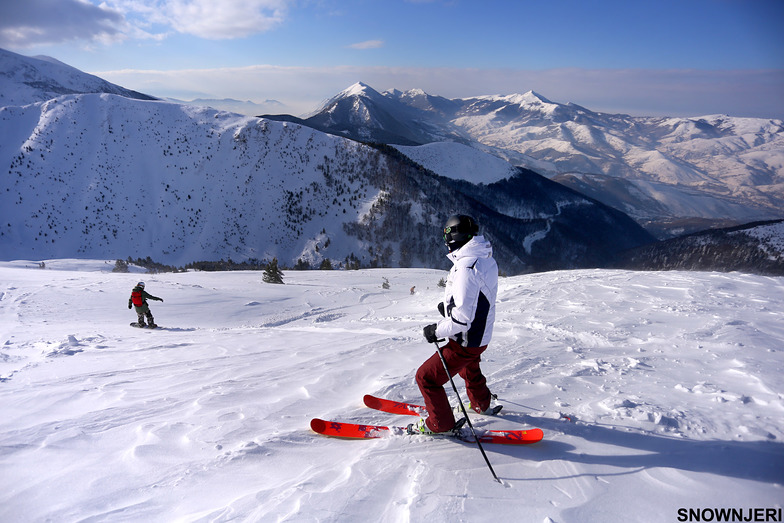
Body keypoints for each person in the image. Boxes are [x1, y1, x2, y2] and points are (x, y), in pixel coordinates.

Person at [408, 214, 500, 435]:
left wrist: (436, 330)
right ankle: (481, 403)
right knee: (469, 366)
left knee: (426, 377)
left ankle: (441, 424)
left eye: (447, 237)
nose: (446, 243)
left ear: (454, 238)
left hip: (467, 340)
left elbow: (461, 319)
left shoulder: (466, 269)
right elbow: (477, 298)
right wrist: (449, 308)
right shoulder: (484, 258)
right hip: (480, 336)